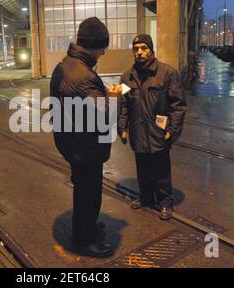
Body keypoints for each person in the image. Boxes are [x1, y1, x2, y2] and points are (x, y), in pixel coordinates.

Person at [50, 17, 122, 258]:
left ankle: (87, 227)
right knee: (88, 192)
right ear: (94, 45)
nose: (104, 52)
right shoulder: (82, 77)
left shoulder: (66, 65)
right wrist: (113, 96)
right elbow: (105, 118)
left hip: (71, 140)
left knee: (84, 189)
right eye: (103, 46)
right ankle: (83, 240)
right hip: (84, 147)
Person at [118, 34, 187, 220]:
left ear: (151, 50)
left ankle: (165, 202)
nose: (139, 52)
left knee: (161, 170)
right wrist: (122, 127)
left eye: (143, 48)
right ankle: (146, 197)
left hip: (159, 132)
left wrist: (171, 131)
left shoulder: (167, 73)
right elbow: (124, 104)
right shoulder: (126, 78)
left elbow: (178, 106)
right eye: (136, 48)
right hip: (138, 132)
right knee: (142, 168)